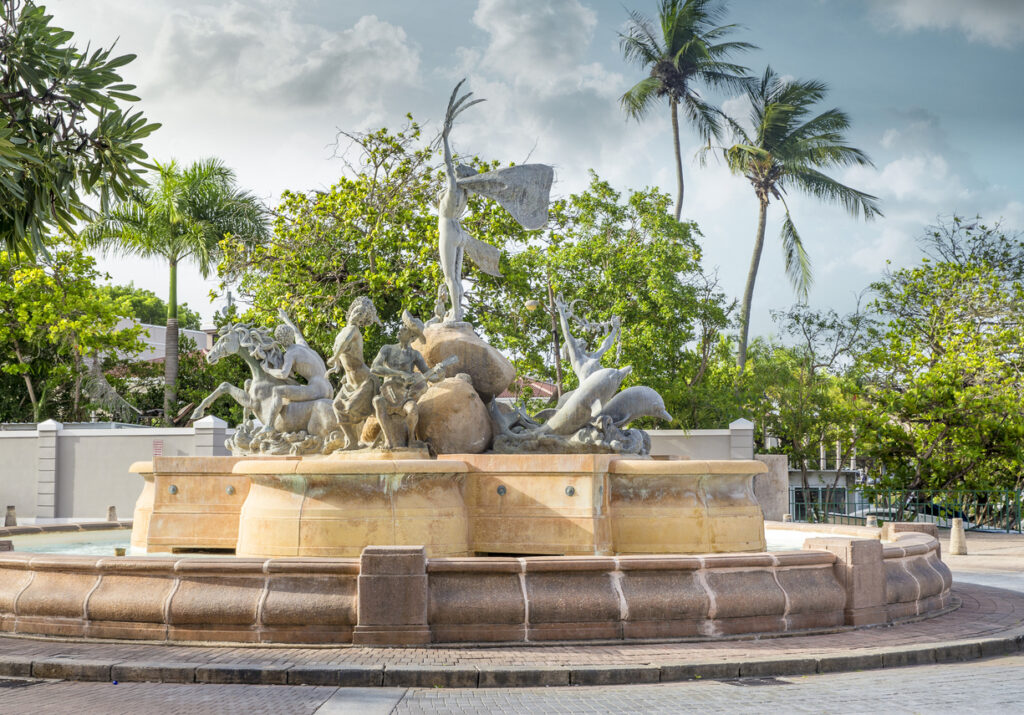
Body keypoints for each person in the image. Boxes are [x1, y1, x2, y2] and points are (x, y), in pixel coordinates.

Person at [370, 310, 451, 449]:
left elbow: (430, 376)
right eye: (402, 326)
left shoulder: (415, 355)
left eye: (405, 328)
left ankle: (412, 439)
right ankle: (388, 440)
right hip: (388, 393)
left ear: (412, 336)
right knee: (377, 401)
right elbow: (374, 368)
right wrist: (399, 373)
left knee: (413, 409)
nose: (400, 329)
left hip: (404, 397)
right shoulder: (387, 349)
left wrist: (440, 373)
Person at [259, 310, 332, 435]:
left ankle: (269, 426)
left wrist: (267, 370)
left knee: (278, 391)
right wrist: (285, 318)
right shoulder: (302, 346)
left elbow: (283, 374)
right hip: (329, 387)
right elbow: (296, 331)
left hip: (316, 388)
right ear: (291, 336)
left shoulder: (290, 354)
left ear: (280, 342)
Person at [327, 297, 381, 449]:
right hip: (350, 381)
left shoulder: (353, 330)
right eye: (356, 312)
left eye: (361, 316)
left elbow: (344, 344)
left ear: (362, 320)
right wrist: (336, 365)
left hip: (364, 380)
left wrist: (334, 357)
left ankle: (387, 436)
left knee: (353, 408)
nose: (357, 316)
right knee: (337, 406)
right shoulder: (343, 330)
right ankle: (352, 441)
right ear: (351, 311)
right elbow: (341, 350)